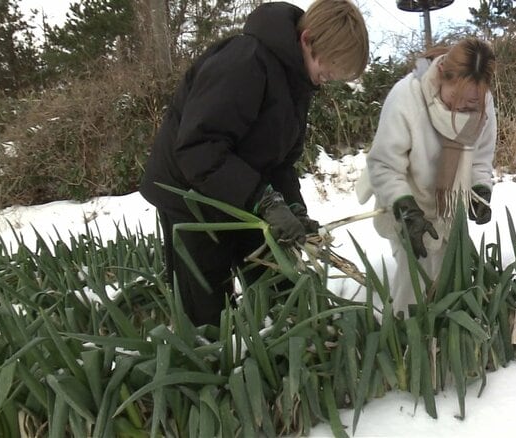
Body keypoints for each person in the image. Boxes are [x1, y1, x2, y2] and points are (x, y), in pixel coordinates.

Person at [139, 0, 369, 327]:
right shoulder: (244, 61)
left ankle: (280, 358)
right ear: (307, 41)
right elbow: (198, 148)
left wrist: (293, 208)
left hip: (243, 193)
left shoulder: (297, 82)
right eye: (327, 70)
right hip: (191, 198)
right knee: (208, 309)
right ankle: (214, 363)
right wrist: (263, 199)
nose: (324, 81)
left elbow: (280, 162)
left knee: (276, 284)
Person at [360, 37, 497, 317]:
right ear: (442, 77)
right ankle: (402, 337)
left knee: (450, 276)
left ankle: (444, 342)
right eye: (455, 98)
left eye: (471, 101)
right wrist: (406, 209)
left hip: (449, 204)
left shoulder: (484, 104)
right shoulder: (406, 98)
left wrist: (481, 190)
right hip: (406, 200)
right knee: (414, 277)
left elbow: (481, 157)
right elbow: (384, 164)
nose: (462, 108)